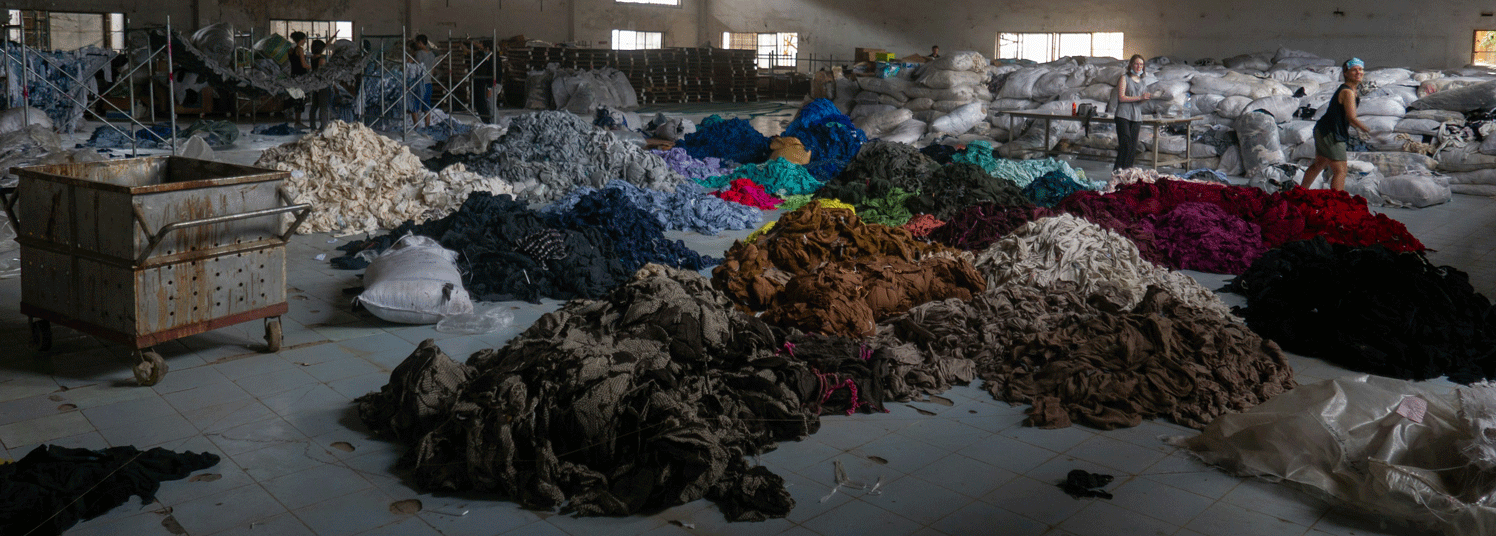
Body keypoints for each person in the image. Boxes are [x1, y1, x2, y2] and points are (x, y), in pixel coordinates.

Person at [1301, 58, 1371, 191]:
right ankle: (1336, 203)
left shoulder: (1351, 90)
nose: (1359, 72)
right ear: (1346, 73)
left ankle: (1299, 193)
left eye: (1361, 69)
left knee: (1319, 163)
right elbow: (1351, 117)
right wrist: (1366, 129)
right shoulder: (1347, 92)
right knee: (1341, 170)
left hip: (1324, 130)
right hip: (1330, 133)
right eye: (1354, 70)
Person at [1113, 54, 1153, 171]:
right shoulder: (1124, 78)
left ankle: (1127, 173)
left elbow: (1138, 102)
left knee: (1132, 148)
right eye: (1136, 63)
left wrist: (1144, 99)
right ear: (1131, 64)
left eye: (1141, 64)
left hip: (1136, 117)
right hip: (1123, 115)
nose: (1138, 66)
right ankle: (1117, 173)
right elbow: (1121, 98)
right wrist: (1140, 97)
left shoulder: (1142, 82)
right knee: (1125, 144)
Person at [410, 34, 438, 128]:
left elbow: (413, 67)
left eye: (417, 42)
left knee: (414, 105)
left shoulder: (419, 54)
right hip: (428, 82)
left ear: (420, 43)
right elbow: (433, 69)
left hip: (419, 83)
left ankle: (416, 127)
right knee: (427, 106)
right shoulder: (432, 54)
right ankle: (427, 125)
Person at [287, 31, 312, 128]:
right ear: (301, 39)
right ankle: (298, 122)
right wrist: (312, 66)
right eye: (304, 39)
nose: (305, 41)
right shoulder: (299, 49)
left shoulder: (290, 49)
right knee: (300, 99)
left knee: (297, 98)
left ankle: (298, 121)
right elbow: (303, 65)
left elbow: (295, 61)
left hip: (293, 75)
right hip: (300, 76)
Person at [309, 39, 332, 130]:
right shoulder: (322, 60)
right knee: (323, 107)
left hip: (315, 84)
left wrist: (331, 39)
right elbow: (323, 74)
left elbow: (323, 47)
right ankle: (324, 127)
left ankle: (313, 126)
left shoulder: (313, 58)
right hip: (322, 85)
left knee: (314, 106)